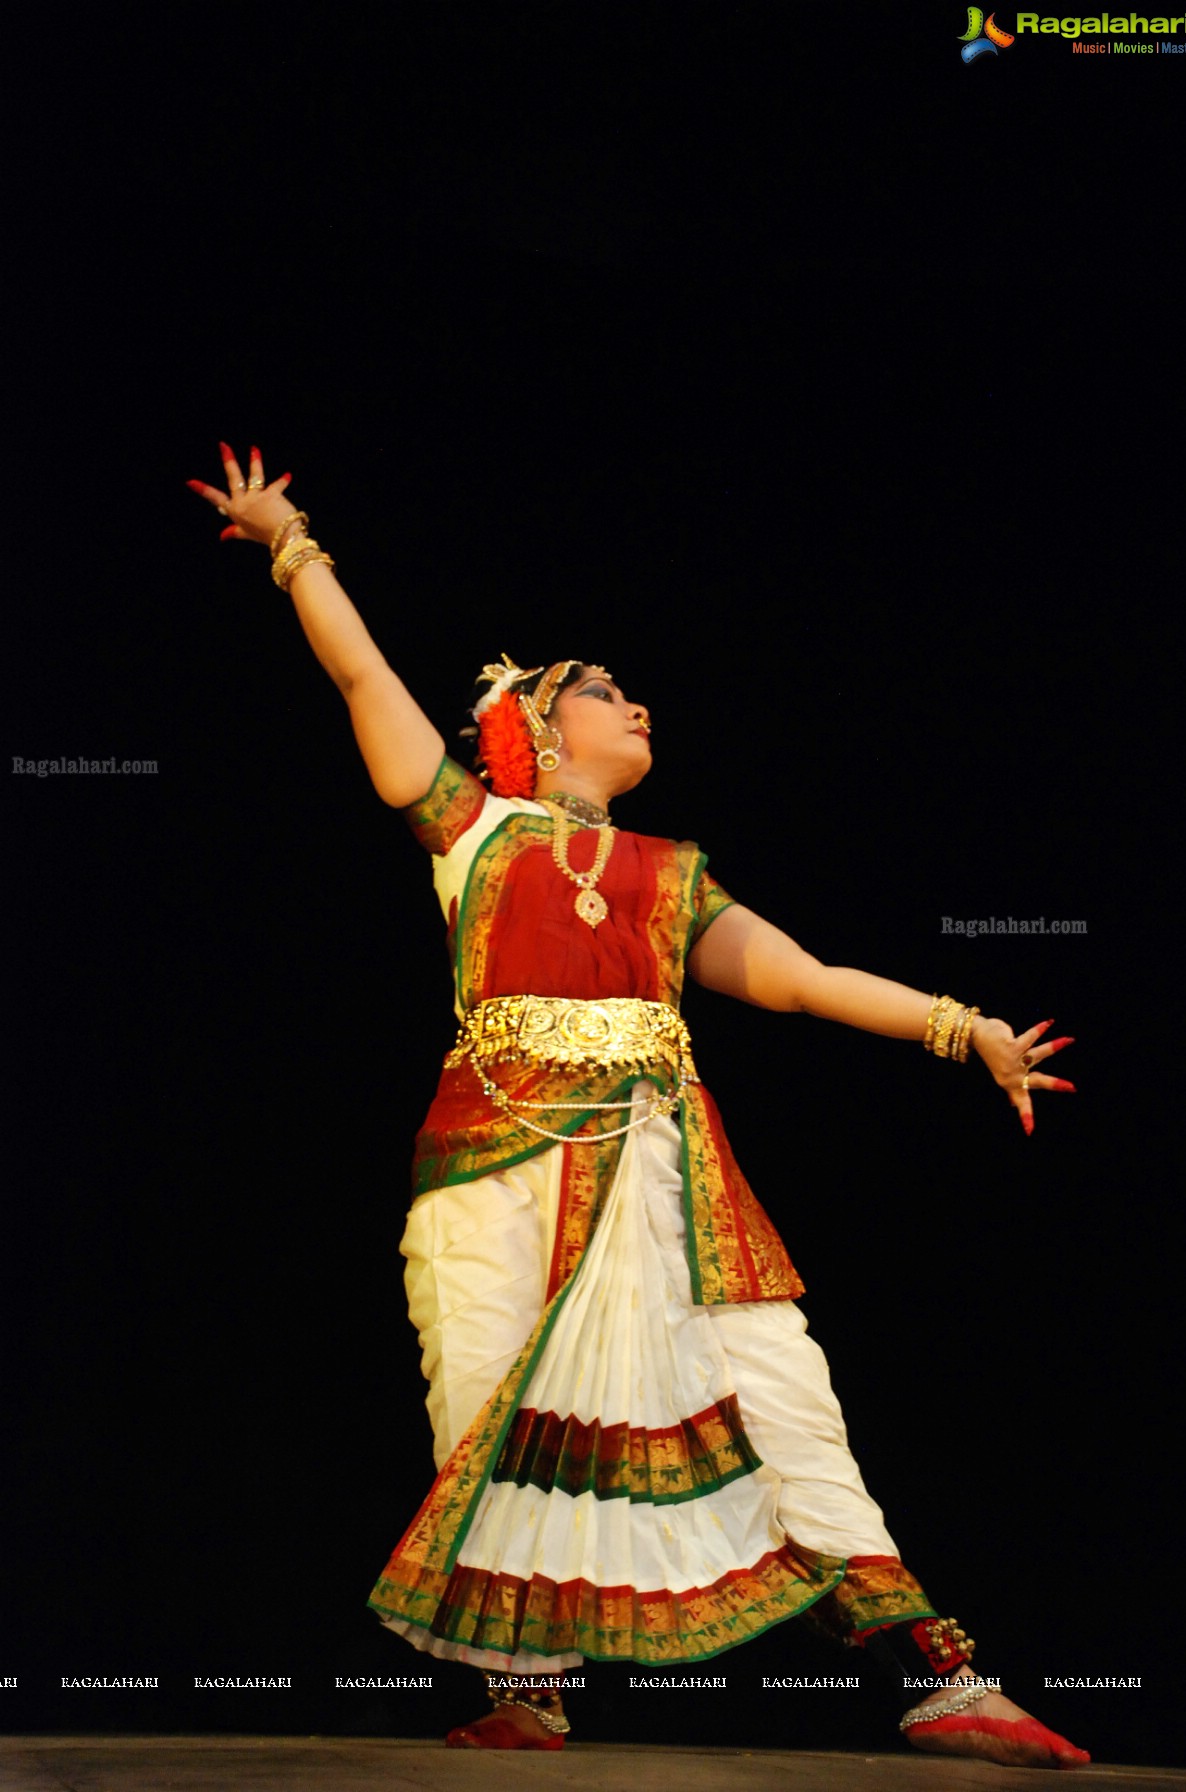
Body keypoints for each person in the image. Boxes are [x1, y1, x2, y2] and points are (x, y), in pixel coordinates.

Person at [188, 446, 1089, 1769]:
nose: (638, 701)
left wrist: (966, 1033)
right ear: (543, 726)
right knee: (488, 1405)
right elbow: (363, 677)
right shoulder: (470, 830)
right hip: (495, 1167)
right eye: (608, 691)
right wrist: (291, 544)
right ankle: (527, 1689)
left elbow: (804, 978)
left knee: (784, 1403)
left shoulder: (672, 874)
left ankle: (945, 1682)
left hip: (671, 1181)